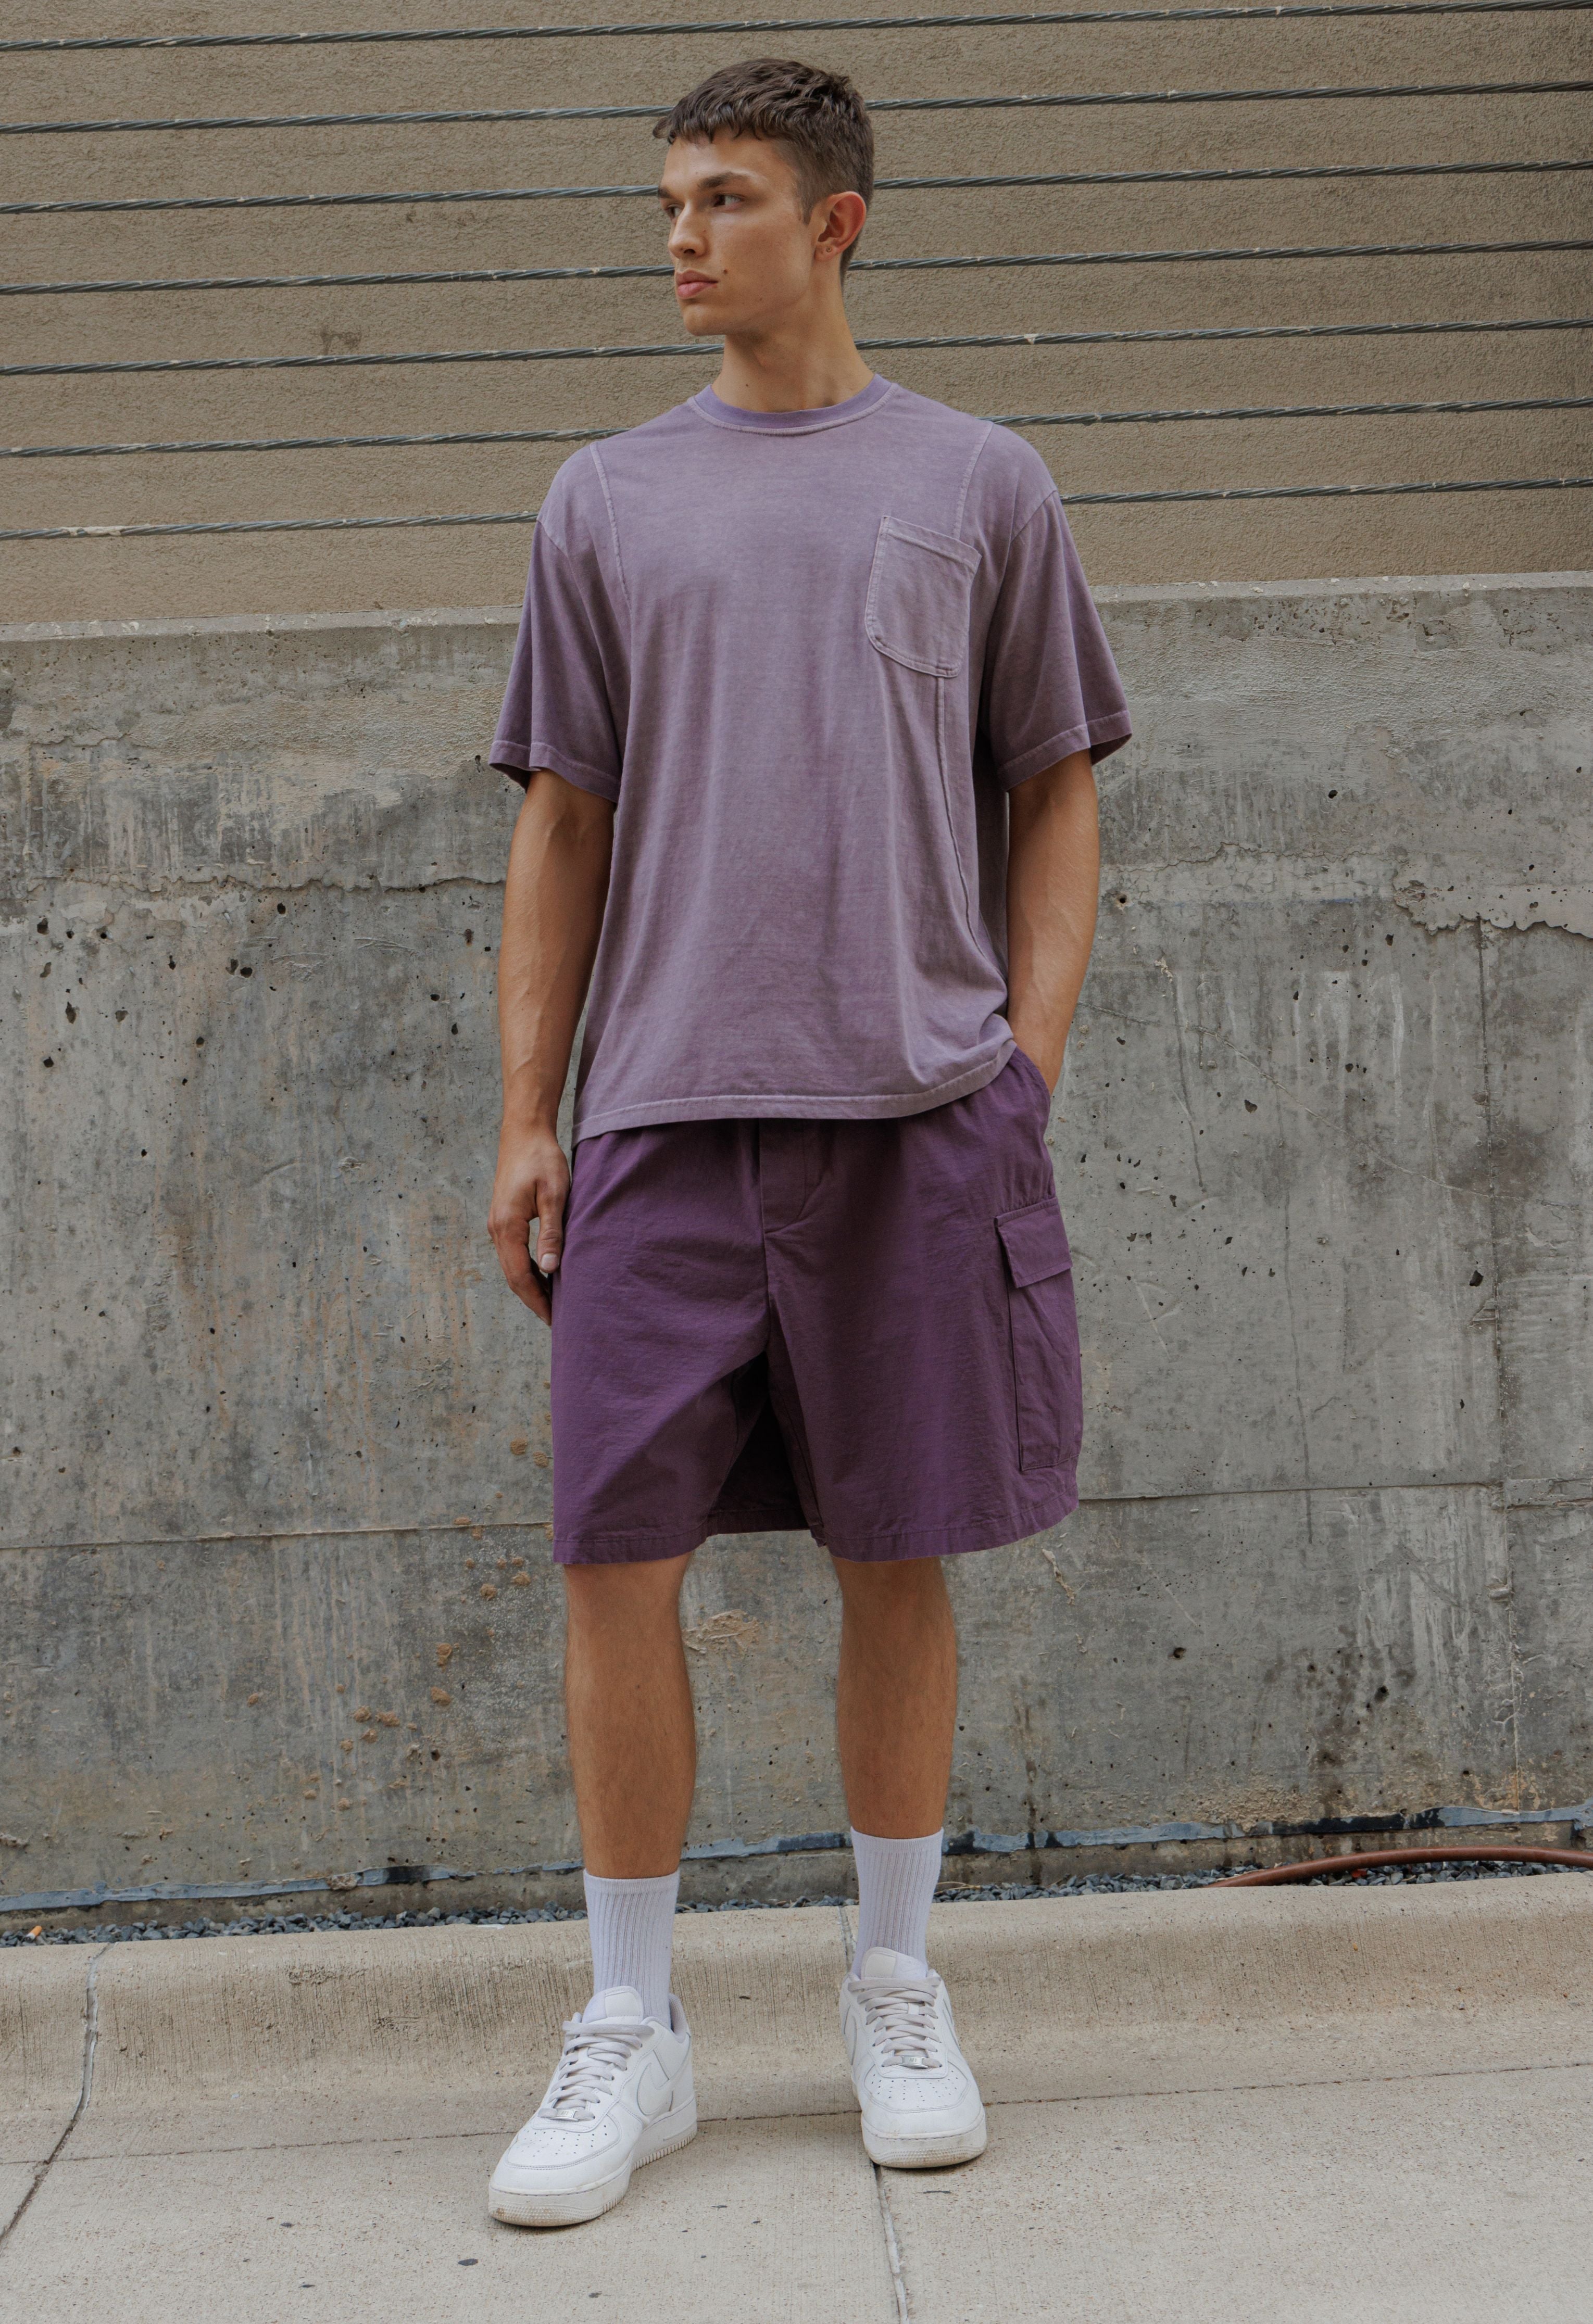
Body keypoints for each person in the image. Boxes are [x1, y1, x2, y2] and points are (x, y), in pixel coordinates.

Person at [483, 56, 1131, 2228]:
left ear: (833, 222)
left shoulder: (978, 481)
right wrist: (527, 1115)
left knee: (896, 1546)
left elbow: (1055, 783)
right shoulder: (604, 499)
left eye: (724, 199)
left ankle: (893, 1980)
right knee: (611, 1561)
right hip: (662, 1121)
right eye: (668, 200)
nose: (680, 236)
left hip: (916, 1116)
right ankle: (631, 2024)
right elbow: (561, 824)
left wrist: (1023, 1069)